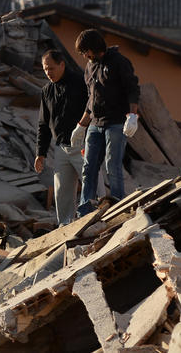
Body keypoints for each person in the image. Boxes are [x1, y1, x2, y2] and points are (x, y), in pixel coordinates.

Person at [73, 29, 140, 216]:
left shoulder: (119, 62)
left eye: (85, 51)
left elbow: (133, 89)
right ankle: (85, 209)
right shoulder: (89, 67)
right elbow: (90, 99)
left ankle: (118, 207)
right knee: (89, 166)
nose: (84, 55)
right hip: (95, 124)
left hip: (116, 123)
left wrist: (132, 116)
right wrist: (81, 126)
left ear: (94, 47)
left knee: (113, 166)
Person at [34, 49, 88, 225]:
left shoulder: (80, 82)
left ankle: (99, 221)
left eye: (51, 68)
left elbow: (92, 108)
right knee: (61, 193)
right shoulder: (47, 91)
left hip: (83, 144)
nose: (48, 73)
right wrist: (40, 154)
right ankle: (65, 227)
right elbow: (43, 124)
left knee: (92, 187)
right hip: (61, 147)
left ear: (62, 64)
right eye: (45, 69)